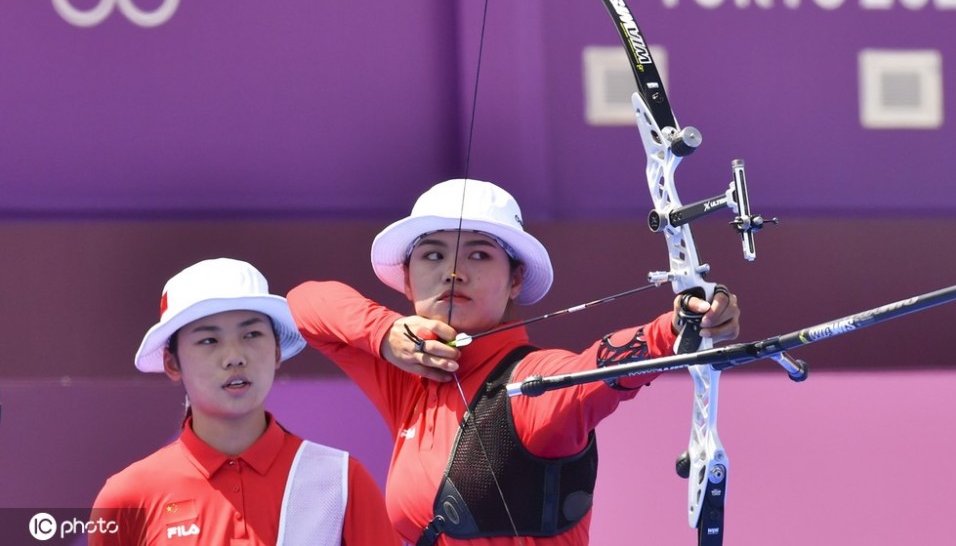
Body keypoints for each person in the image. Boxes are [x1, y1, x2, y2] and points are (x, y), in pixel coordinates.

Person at [287, 179, 741, 546]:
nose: (452, 271)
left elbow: (591, 375)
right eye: (433, 255)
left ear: (515, 279)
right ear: (406, 280)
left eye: (479, 254)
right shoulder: (408, 374)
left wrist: (677, 327)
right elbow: (304, 304)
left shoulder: (532, 384)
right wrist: (385, 333)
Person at [90, 258, 399, 545]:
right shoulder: (127, 497)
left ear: (277, 352)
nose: (235, 357)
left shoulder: (341, 480)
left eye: (251, 334)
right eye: (208, 340)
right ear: (172, 363)